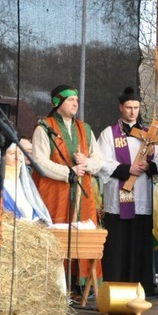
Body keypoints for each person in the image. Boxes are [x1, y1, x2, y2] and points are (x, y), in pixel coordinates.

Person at [32, 85, 103, 288]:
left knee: (84, 239)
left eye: (77, 100)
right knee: (57, 237)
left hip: (83, 195)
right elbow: (40, 162)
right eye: (71, 100)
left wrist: (86, 162)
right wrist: (69, 172)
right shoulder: (44, 128)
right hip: (55, 193)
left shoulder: (85, 129)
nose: (75, 103)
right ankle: (56, 287)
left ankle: (82, 286)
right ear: (57, 103)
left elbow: (99, 160)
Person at [97, 86, 158, 293]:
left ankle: (141, 288)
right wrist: (127, 169)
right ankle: (115, 287)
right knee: (118, 245)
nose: (133, 111)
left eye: (136, 107)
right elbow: (101, 162)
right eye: (128, 107)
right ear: (121, 108)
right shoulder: (109, 133)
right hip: (119, 197)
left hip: (142, 197)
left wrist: (150, 166)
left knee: (140, 245)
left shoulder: (149, 134)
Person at [0, 143, 52, 223]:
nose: (17, 157)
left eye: (20, 153)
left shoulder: (24, 182)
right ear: (0, 156)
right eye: (13, 153)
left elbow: (37, 211)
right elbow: (2, 216)